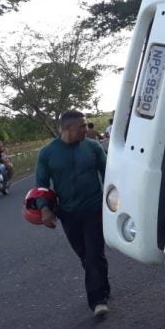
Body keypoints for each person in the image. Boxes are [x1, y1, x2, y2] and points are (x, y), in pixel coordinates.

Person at [35, 110, 111, 317]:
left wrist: (112, 200)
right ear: (68, 128)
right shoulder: (47, 153)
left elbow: (108, 174)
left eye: (86, 125)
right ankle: (102, 285)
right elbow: (41, 185)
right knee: (86, 256)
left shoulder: (93, 147)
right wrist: (44, 209)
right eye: (82, 126)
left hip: (94, 209)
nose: (87, 129)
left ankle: (98, 301)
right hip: (67, 213)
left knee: (94, 253)